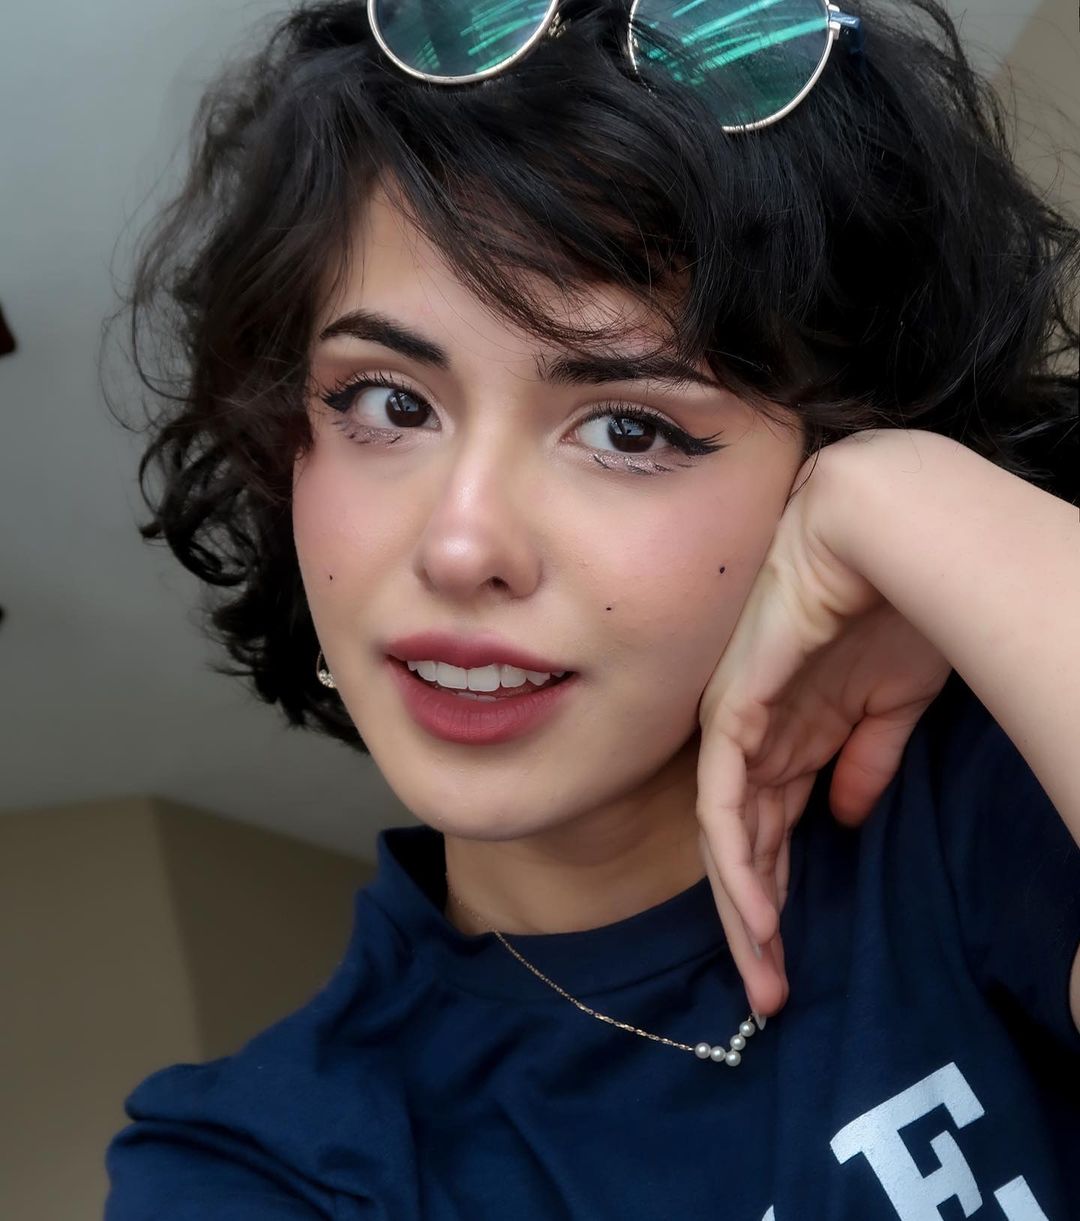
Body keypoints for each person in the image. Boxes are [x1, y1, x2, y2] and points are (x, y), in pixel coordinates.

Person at [102, 1, 1080, 1217]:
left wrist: (907, 497)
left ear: (819, 466)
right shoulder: (263, 1166)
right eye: (390, 404)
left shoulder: (995, 791)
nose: (461, 546)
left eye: (628, 427)